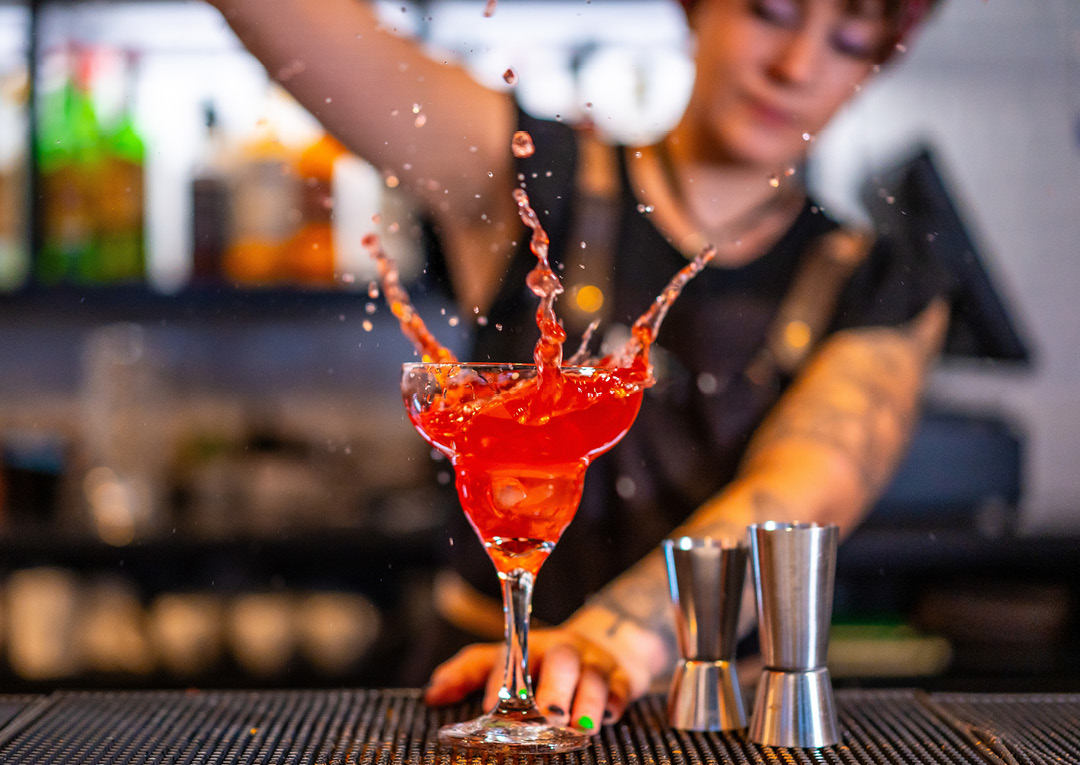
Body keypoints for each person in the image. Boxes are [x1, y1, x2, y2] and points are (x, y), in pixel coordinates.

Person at [206, 0, 949, 734]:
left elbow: (808, 484)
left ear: (880, 60)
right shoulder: (528, 174)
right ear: (697, 9)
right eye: (770, 13)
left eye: (849, 40)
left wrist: (619, 638)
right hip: (482, 695)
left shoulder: (882, 279)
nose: (795, 67)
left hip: (711, 721)